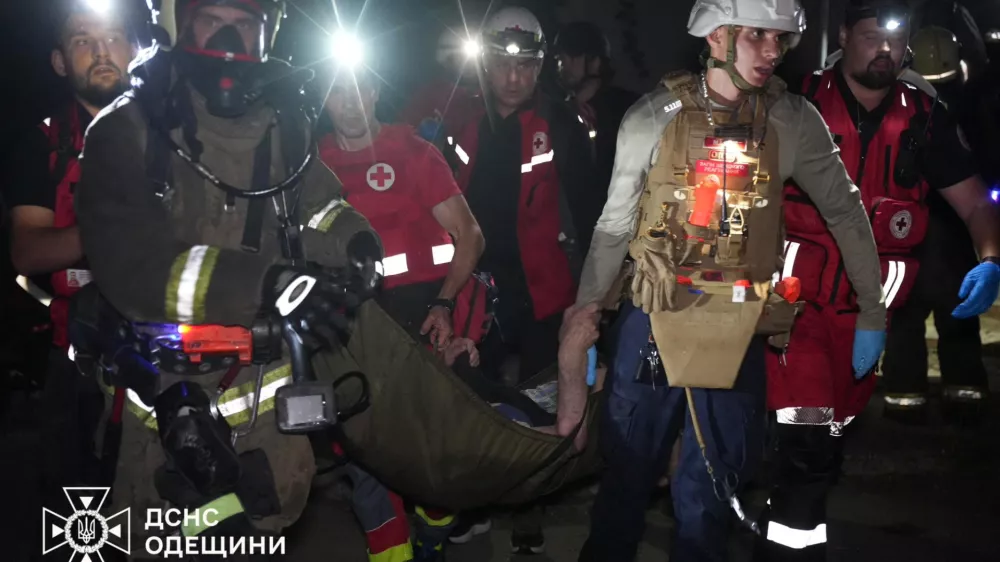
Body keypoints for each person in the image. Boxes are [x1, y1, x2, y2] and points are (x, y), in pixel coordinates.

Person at [565, 1, 890, 560]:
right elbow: (613, 224)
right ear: (717, 36)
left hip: (737, 326)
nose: (773, 51)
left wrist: (872, 311)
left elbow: (845, 211)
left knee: (710, 491)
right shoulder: (652, 117)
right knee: (626, 479)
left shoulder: (791, 121)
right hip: (653, 323)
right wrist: (586, 314)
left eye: (780, 39)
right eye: (758, 35)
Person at [73, 0, 382, 552]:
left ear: (270, 34)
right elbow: (136, 265)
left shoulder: (286, 126)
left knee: (261, 533)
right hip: (169, 419)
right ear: (177, 24)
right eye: (213, 20)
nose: (230, 42)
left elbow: (318, 206)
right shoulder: (125, 131)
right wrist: (269, 283)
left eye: (245, 25)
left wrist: (356, 241)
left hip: (269, 419)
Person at [761, 1, 1000, 559]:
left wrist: (991, 260)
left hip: (868, 321)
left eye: (895, 39)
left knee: (829, 444)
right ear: (845, 36)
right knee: (806, 442)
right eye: (871, 37)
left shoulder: (924, 117)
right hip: (797, 313)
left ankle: (792, 523)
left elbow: (974, 204)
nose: (884, 50)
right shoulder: (796, 104)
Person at [318, 49, 486, 561]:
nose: (349, 102)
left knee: (431, 450)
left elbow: (470, 236)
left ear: (373, 94)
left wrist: (443, 304)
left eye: (358, 89)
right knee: (365, 455)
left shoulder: (411, 152)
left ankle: (434, 529)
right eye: (338, 91)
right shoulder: (312, 164)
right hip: (352, 326)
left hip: (420, 317)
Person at [0, 0, 136, 529]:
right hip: (77, 360)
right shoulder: (42, 143)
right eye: (83, 40)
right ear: (60, 62)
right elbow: (27, 251)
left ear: (134, 49)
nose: (101, 51)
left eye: (112, 37)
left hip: (175, 354)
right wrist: (109, 228)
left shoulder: (180, 137)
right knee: (82, 522)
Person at [452, 6, 603, 385]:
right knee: (474, 397)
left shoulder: (562, 126)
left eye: (525, 66)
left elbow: (590, 213)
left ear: (540, 67)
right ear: (486, 63)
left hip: (546, 294)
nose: (514, 78)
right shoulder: (465, 123)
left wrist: (593, 296)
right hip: (479, 290)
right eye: (503, 64)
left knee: (545, 399)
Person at [882, 24, 990, 425]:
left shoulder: (905, 105)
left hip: (906, 235)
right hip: (956, 237)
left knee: (904, 317)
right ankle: (966, 394)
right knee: (960, 312)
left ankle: (903, 397)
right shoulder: (973, 106)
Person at [554, 21, 639, 198]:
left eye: (573, 56)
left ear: (595, 61)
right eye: (561, 57)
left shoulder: (625, 110)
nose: (564, 63)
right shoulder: (559, 111)